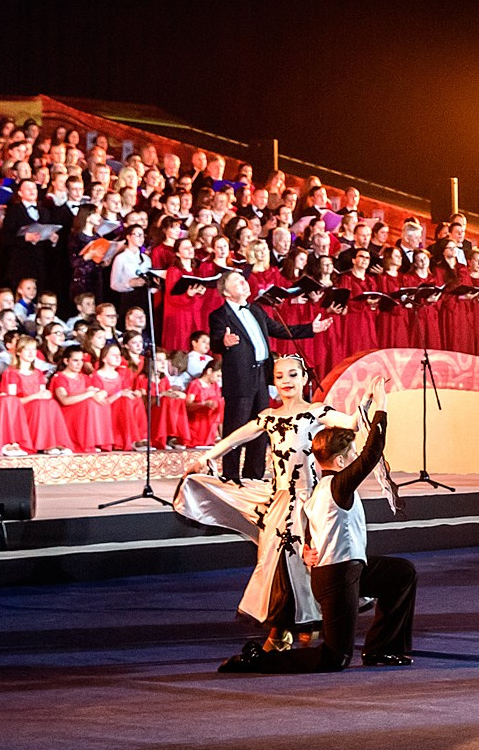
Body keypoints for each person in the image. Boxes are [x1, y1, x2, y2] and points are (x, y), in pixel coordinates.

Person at [177, 358, 382, 653]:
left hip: (310, 500)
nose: (286, 380)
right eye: (280, 375)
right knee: (272, 561)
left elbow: (350, 423)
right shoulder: (269, 417)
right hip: (279, 500)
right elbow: (236, 438)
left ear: (303, 379)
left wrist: (368, 399)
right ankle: (283, 626)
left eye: (292, 374)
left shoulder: (315, 411)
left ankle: (309, 624)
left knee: (309, 561)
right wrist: (204, 458)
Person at [218, 399, 417, 672]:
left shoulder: (321, 489)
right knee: (334, 657)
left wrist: (307, 548)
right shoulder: (339, 484)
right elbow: (373, 452)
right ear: (339, 460)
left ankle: (382, 649)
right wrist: (382, 406)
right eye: (352, 453)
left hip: (347, 569)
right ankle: (260, 659)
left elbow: (312, 524)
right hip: (337, 578)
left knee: (401, 573)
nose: (356, 456)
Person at [208, 267, 331, 480]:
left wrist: (311, 328)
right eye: (237, 282)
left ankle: (253, 476)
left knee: (261, 427)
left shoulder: (256, 310)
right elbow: (216, 341)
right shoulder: (220, 315)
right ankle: (230, 477)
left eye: (243, 280)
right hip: (240, 379)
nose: (244, 283)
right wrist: (223, 343)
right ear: (226, 292)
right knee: (236, 429)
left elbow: (279, 330)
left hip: (261, 377)